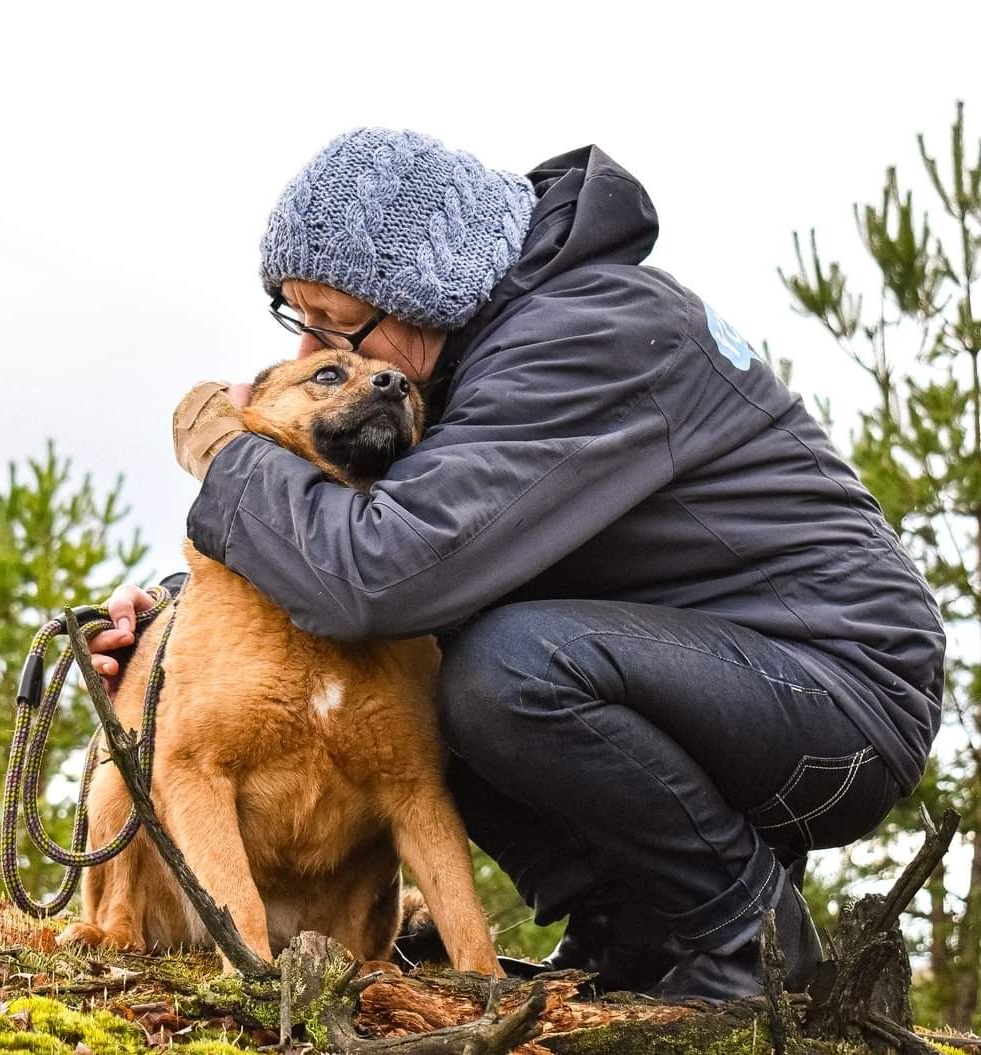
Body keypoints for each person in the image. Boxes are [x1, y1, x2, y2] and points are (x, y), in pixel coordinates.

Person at [87, 128, 945, 1001]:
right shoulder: (493, 354)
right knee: (435, 661)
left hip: (838, 695)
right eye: (299, 326)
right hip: (721, 677)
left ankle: (747, 936)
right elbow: (399, 536)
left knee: (501, 670)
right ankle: (633, 930)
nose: (314, 356)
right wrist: (179, 618)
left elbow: (382, 572)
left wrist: (228, 456)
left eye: (338, 326)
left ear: (420, 293)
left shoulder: (586, 334)